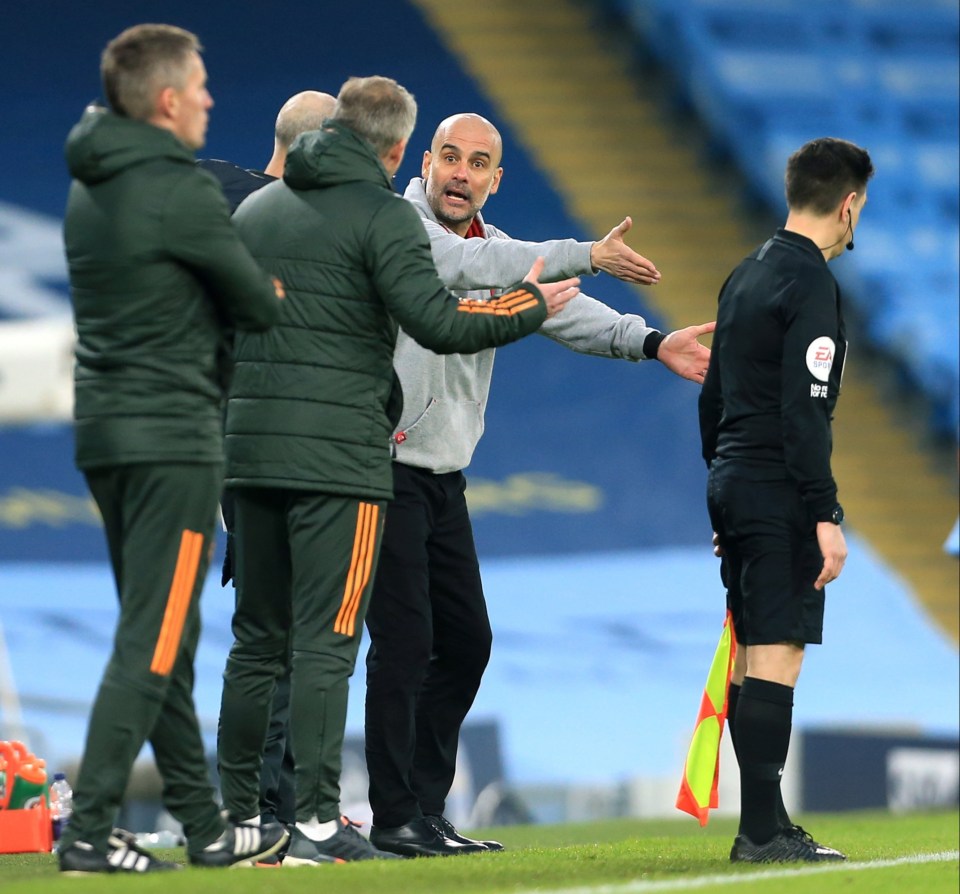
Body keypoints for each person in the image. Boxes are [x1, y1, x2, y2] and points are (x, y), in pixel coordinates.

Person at [215, 76, 580, 866]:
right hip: (347, 462)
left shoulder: (255, 212)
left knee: (257, 643)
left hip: (248, 452)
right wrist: (529, 308)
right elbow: (439, 321)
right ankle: (317, 821)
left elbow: (217, 329)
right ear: (399, 152)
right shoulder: (384, 216)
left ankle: (239, 822)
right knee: (329, 642)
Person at [363, 113, 716, 857]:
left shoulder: (497, 250)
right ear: (424, 162)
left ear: (496, 179)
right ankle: (392, 815)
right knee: (404, 644)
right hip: (380, 467)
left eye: (479, 163)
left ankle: (423, 812)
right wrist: (583, 253)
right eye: (450, 157)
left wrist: (651, 342)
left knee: (464, 643)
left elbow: (565, 308)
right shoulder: (396, 225)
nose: (461, 172)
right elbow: (485, 274)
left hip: (443, 477)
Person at [57, 24, 289, 874]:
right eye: (198, 87)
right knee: (152, 639)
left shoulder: (92, 183)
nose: (209, 100)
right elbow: (259, 305)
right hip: (174, 438)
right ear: (164, 101)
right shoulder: (179, 189)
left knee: (162, 636)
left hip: (106, 432)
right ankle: (87, 832)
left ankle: (203, 824)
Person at [699, 136, 874, 863]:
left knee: (752, 655)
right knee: (778, 653)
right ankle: (763, 831)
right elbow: (807, 409)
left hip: (736, 479)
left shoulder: (746, 274)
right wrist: (823, 513)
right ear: (849, 204)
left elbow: (713, 395)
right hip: (775, 485)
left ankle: (762, 823)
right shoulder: (809, 283)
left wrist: (723, 484)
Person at [200, 90, 338, 837]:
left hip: (225, 442)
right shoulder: (288, 220)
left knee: (266, 636)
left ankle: (250, 807)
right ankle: (268, 809)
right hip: (276, 445)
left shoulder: (209, 189)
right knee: (284, 637)